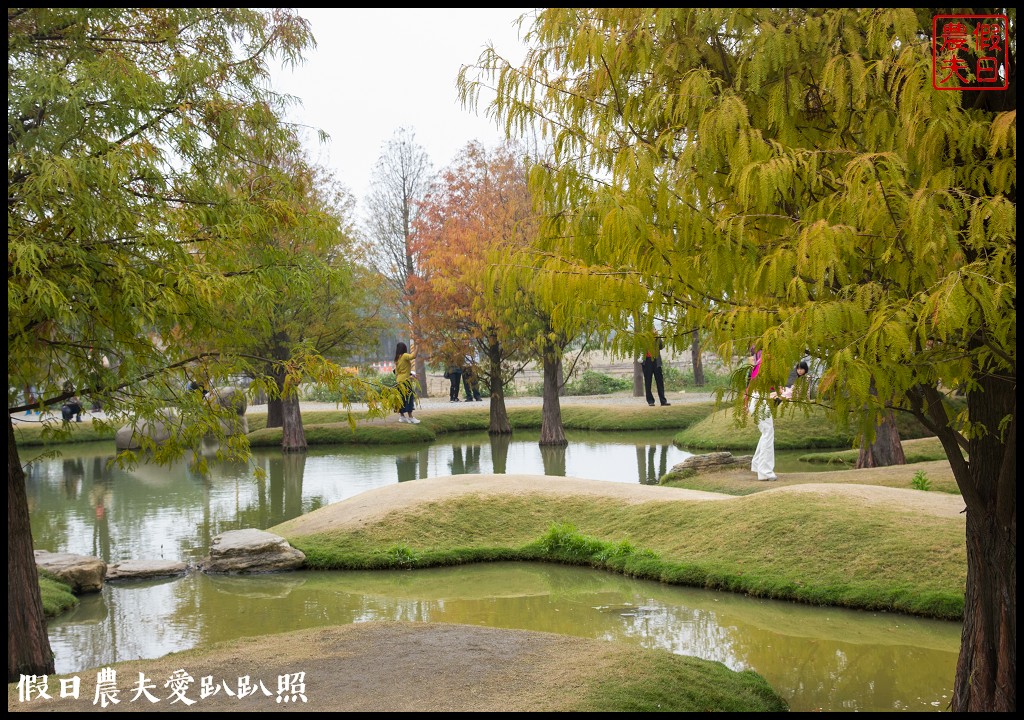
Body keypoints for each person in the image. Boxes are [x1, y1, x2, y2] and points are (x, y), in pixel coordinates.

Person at [745, 347, 777, 481]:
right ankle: (765, 471)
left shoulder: (760, 363)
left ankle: (758, 464)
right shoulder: (765, 363)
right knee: (768, 432)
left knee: (766, 432)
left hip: (756, 397)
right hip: (759, 398)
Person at [394, 341, 421, 424]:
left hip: (399, 381)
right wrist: (417, 347)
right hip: (405, 381)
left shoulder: (397, 359)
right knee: (409, 398)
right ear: (404, 349)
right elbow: (413, 356)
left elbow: (398, 372)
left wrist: (411, 375)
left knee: (401, 399)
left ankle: (402, 416)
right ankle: (410, 417)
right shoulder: (404, 356)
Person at [641, 338, 671, 407]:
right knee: (648, 382)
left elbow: (661, 346)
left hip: (656, 361)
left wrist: (657, 338)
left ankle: (663, 401)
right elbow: (640, 348)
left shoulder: (657, 338)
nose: (653, 330)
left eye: (654, 329)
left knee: (660, 381)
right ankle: (650, 401)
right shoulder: (643, 337)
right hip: (647, 361)